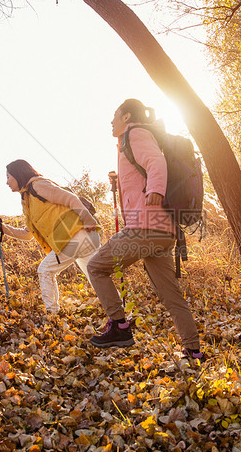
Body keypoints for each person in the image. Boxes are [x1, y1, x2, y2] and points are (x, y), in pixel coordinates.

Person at [86, 99, 203, 361]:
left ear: (127, 115)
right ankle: (193, 351)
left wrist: (155, 190)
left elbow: (156, 162)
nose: (111, 120)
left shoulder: (135, 133)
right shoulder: (132, 139)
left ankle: (120, 326)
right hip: (163, 232)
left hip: (146, 226)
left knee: (96, 267)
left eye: (114, 115)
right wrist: (122, 180)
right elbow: (144, 170)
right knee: (171, 295)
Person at [0, 159, 101, 314]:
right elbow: (28, 234)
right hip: (78, 238)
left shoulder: (38, 185)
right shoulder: (27, 200)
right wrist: (4, 228)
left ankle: (52, 315)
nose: (7, 182)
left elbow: (70, 198)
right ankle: (122, 316)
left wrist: (88, 219)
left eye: (8, 177)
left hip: (77, 235)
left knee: (45, 270)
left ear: (18, 174)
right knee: (96, 277)